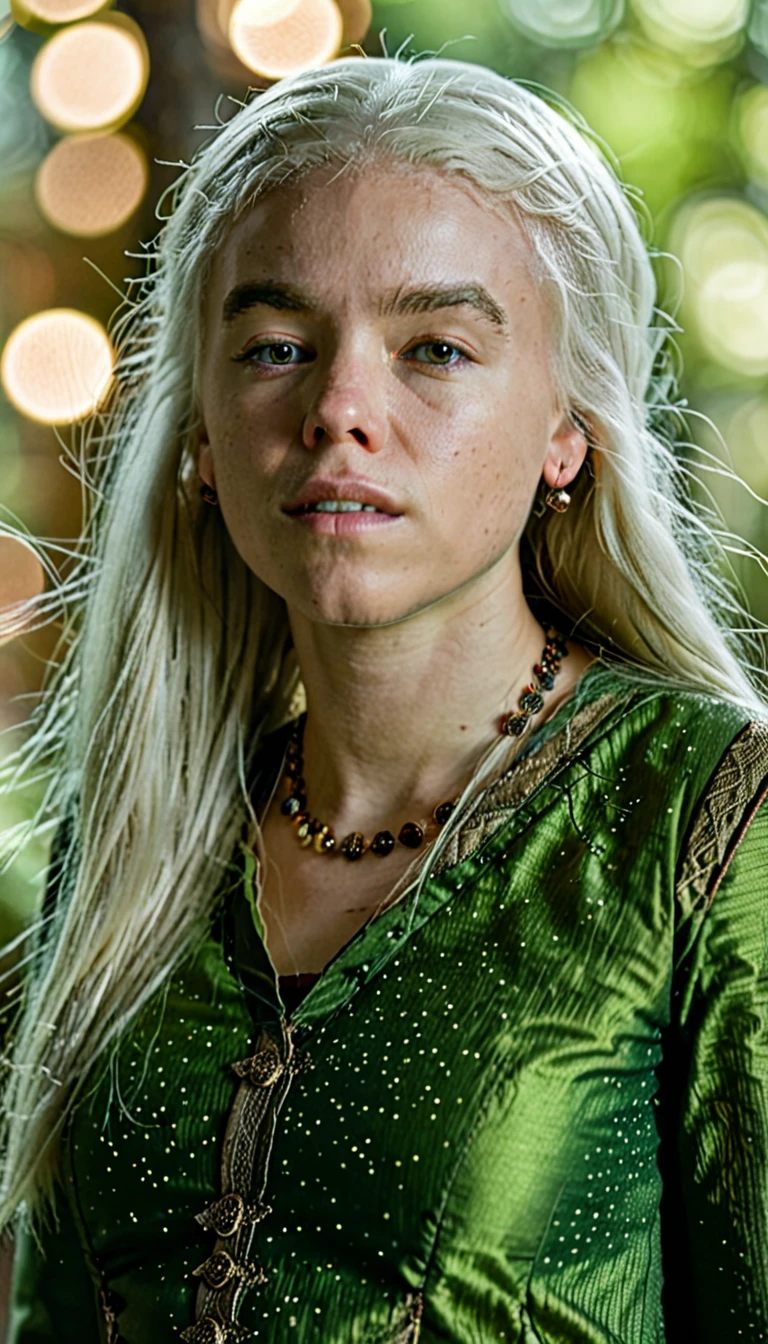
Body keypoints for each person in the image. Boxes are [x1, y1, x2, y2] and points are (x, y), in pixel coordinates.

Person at [0, 52, 766, 1344]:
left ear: (565, 429)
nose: (342, 408)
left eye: (436, 348)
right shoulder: (135, 840)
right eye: (280, 345)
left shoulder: (707, 826)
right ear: (197, 428)